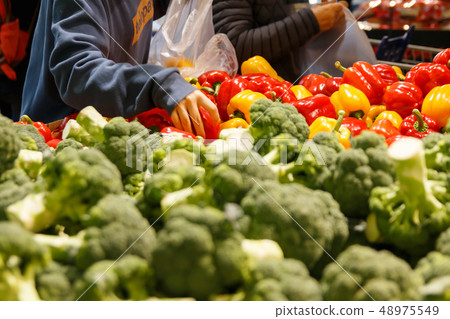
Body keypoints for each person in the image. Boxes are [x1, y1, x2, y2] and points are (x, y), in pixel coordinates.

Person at [21, 0, 218, 137]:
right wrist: (158, 83)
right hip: (60, 135)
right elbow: (78, 73)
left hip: (114, 123)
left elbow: (140, 11)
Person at [212, 0, 347, 82]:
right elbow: (232, 47)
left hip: (294, 91)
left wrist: (325, 17)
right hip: (254, 97)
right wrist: (310, 21)